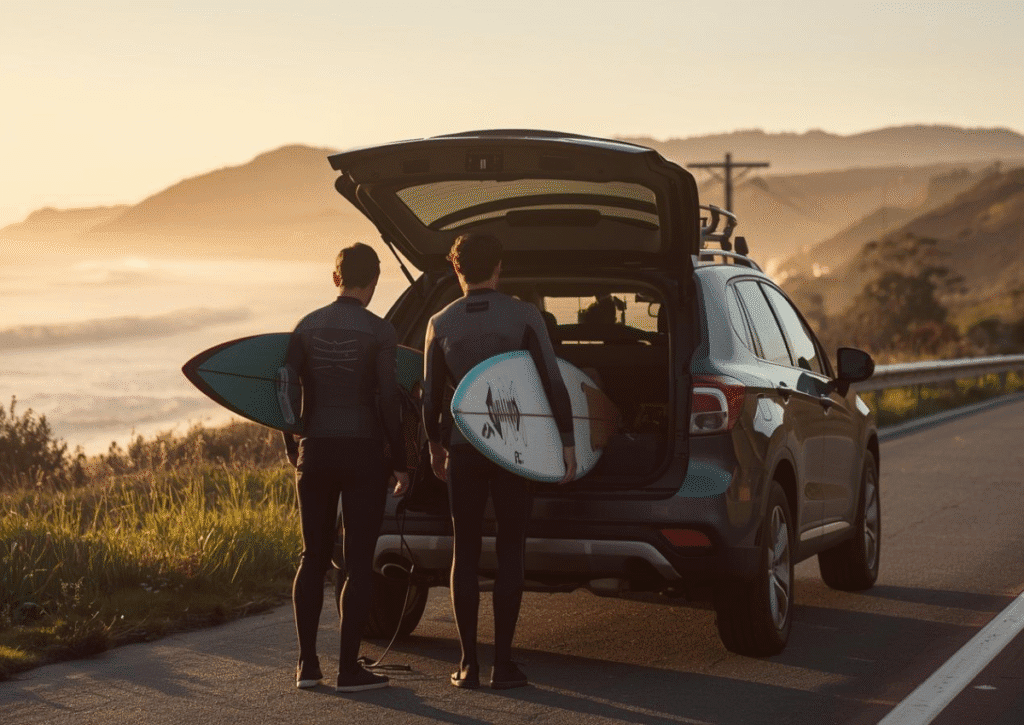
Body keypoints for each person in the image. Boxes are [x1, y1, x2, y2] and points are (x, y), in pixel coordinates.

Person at [422, 233, 577, 690]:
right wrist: (567, 445)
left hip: (466, 447)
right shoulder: (524, 315)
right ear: (499, 268)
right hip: (516, 448)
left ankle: (468, 664)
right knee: (511, 547)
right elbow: (551, 380)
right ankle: (502, 664)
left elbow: (431, 398)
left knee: (464, 549)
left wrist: (435, 446)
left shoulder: (440, 322)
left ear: (456, 269)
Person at [280, 242, 410, 693]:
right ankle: (349, 670)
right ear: (373, 283)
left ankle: (307, 666)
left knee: (312, 557)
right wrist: (401, 460)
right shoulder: (380, 332)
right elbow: (390, 401)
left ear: (335, 278)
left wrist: (291, 440)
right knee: (356, 562)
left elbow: (285, 386)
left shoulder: (305, 326)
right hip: (363, 455)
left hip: (314, 452)